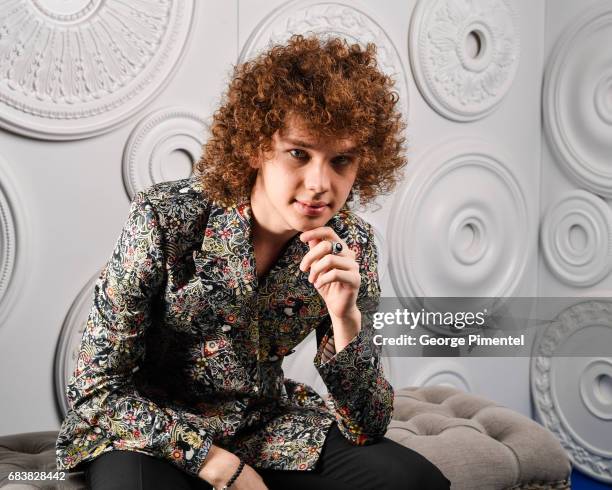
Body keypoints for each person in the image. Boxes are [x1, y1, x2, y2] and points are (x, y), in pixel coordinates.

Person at [55, 34, 450, 489]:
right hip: (148, 432)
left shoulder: (351, 245)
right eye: (299, 154)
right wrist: (217, 465)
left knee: (416, 482)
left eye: (341, 160)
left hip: (261, 426)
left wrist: (346, 321)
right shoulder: (165, 218)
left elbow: (367, 426)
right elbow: (95, 389)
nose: (320, 183)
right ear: (257, 146)